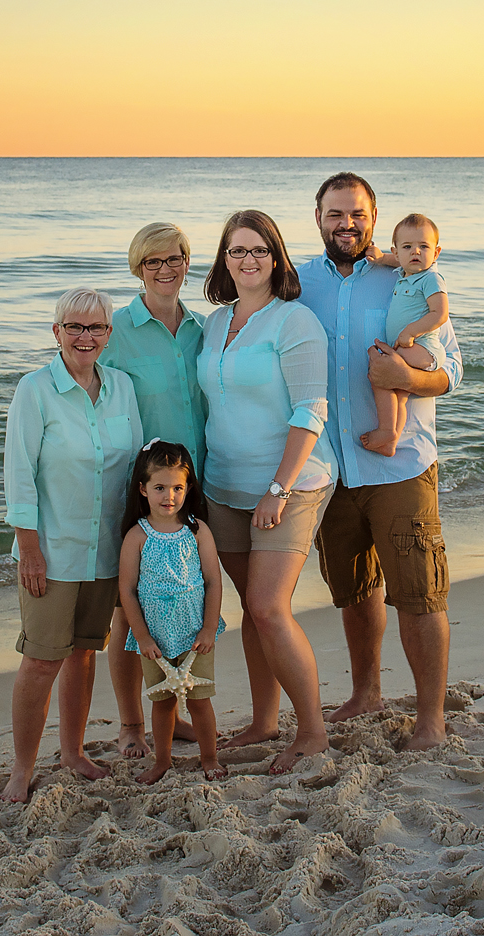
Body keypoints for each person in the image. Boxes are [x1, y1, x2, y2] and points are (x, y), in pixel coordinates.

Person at [299, 174, 462, 752]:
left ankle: (430, 721)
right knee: (353, 586)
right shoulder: (297, 284)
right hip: (331, 467)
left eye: (358, 214)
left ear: (374, 217)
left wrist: (407, 378)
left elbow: (452, 372)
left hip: (401, 465)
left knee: (419, 592)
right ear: (317, 216)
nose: (347, 224)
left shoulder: (408, 276)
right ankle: (366, 692)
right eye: (335, 213)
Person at [198, 209, 338, 774]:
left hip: (291, 484)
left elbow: (311, 410)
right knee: (250, 611)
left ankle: (312, 730)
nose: (248, 260)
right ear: (223, 261)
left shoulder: (295, 321)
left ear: (276, 259)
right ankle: (262, 720)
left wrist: (278, 487)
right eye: (237, 251)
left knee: (267, 607)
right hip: (223, 485)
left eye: (259, 250)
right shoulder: (214, 323)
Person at [0, 286, 144, 802]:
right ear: (56, 332)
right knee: (41, 660)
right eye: (75, 327)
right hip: (52, 552)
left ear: (109, 333)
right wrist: (29, 547)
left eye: (96, 327)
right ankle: (21, 769)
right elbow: (19, 475)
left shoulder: (123, 387)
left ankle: (74, 753)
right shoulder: (34, 390)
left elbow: (134, 472)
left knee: (84, 654)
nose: (86, 337)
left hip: (105, 552)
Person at [99, 222, 209, 760]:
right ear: (137, 268)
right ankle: (130, 724)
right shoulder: (116, 330)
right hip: (142, 491)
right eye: (153, 262)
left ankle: (173, 707)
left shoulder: (202, 329)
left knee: (182, 599)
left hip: (196, 486)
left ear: (189, 263)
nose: (166, 270)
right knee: (132, 609)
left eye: (175, 259)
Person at [116, 439, 226, 784]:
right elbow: (127, 592)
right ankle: (162, 760)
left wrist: (209, 629)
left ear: (188, 488)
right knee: (162, 704)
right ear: (143, 489)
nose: (169, 496)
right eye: (160, 487)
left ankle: (209, 757)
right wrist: (143, 637)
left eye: (177, 487)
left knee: (200, 701)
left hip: (195, 635)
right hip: (155, 640)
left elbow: (213, 582)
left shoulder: (197, 530)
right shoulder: (137, 536)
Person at [359, 213, 451, 458]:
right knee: (398, 394)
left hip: (422, 346)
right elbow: (393, 261)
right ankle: (391, 440)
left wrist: (411, 331)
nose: (416, 252)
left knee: (382, 376)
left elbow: (440, 314)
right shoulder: (406, 273)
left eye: (424, 246)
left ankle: (386, 429)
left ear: (436, 252)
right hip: (414, 347)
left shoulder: (430, 278)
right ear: (397, 253)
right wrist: (379, 258)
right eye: (408, 247)